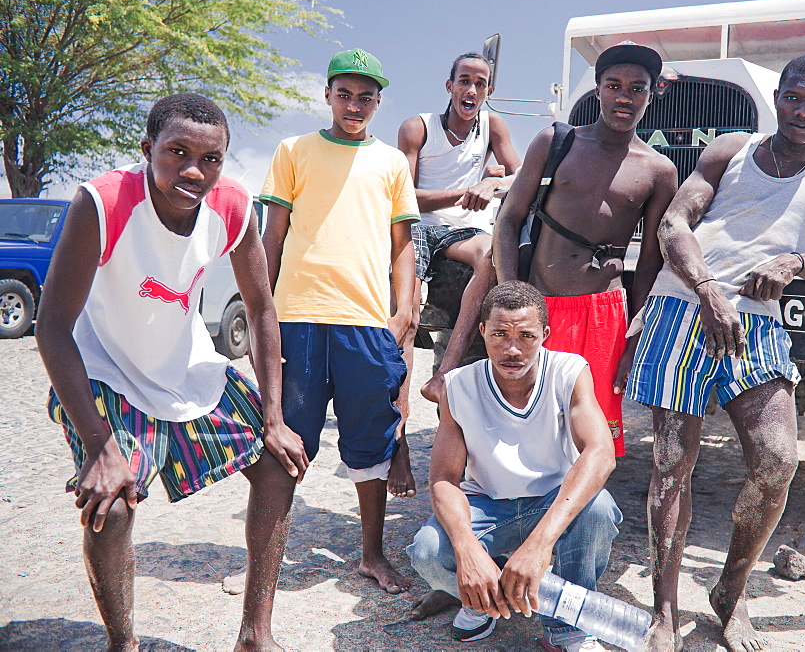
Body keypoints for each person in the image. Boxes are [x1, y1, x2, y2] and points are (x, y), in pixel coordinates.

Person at [35, 93, 308, 651]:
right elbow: (52, 327)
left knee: (280, 466)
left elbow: (259, 310)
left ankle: (256, 635)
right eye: (177, 152)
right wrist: (98, 447)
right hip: (106, 370)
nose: (194, 171)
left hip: (185, 367)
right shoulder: (104, 202)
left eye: (211, 159)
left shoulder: (232, 206)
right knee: (109, 504)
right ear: (147, 149)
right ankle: (123, 642)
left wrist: (275, 418)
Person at [625, 54, 805, 651]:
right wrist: (707, 288)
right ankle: (664, 609)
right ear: (776, 98)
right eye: (794, 98)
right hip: (684, 308)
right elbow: (674, 224)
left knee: (778, 461)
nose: (804, 112)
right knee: (672, 466)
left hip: (756, 326)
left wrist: (796, 262)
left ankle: (730, 593)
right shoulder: (730, 148)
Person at [259, 48, 420, 595]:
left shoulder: (392, 163)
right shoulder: (293, 151)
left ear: (378, 102)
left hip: (366, 323)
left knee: (369, 442)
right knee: (284, 444)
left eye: (366, 97)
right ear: (327, 95)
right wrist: (264, 314)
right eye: (345, 94)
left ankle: (371, 554)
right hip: (298, 318)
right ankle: (265, 563)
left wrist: (403, 311)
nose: (355, 104)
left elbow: (402, 247)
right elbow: (272, 238)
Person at [406, 281, 621, 651]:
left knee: (598, 510)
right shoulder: (458, 386)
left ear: (545, 335)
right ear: (482, 332)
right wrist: (469, 552)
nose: (512, 349)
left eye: (526, 336)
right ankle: (485, 599)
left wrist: (539, 545)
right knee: (427, 552)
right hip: (489, 506)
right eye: (500, 334)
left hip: (553, 502)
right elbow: (443, 478)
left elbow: (600, 453)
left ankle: (567, 626)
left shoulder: (568, 371)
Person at [493, 43, 677, 458]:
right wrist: (511, 299)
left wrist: (634, 336)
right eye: (614, 85)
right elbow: (508, 219)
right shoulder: (556, 142)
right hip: (540, 307)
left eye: (637, 88)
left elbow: (649, 262)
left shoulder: (659, 170)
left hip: (604, 315)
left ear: (653, 94)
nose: (624, 97)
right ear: (598, 91)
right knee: (523, 426)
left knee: (591, 437)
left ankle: (579, 517)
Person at [396, 51, 521, 408]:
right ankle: (399, 409)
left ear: (489, 91)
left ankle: (443, 373)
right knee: (408, 309)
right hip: (421, 226)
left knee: (491, 256)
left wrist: (491, 186)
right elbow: (406, 198)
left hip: (464, 231)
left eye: (480, 84)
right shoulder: (418, 127)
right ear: (450, 86)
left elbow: (523, 175)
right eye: (464, 81)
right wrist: (467, 190)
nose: (471, 89)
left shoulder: (493, 126)